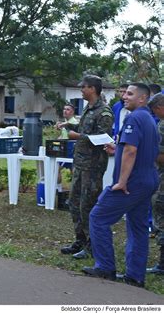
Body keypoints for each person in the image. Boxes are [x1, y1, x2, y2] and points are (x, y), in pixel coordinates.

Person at [82, 83, 159, 288]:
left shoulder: (134, 118)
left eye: (130, 94)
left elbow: (132, 151)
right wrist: (117, 148)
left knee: (98, 217)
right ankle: (135, 276)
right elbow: (138, 148)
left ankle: (105, 267)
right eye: (125, 93)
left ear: (142, 99)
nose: (124, 96)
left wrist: (122, 181)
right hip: (148, 179)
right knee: (138, 227)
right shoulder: (150, 120)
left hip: (132, 182)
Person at [58, 75, 114, 259]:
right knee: (74, 202)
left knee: (87, 205)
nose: (81, 90)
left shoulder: (104, 112)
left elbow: (103, 138)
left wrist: (77, 136)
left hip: (93, 166)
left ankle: (92, 244)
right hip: (80, 164)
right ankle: (80, 240)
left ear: (93, 89)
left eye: (84, 87)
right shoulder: (88, 110)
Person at [146, 93, 164, 275]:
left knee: (160, 219)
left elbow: (160, 156)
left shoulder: (162, 126)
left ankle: (162, 265)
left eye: (155, 110)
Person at [55, 103, 79, 191]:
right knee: (73, 173)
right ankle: (60, 190)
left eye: (68, 109)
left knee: (56, 168)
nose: (65, 111)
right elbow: (63, 136)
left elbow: (73, 136)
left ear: (72, 112)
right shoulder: (65, 123)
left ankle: (58, 190)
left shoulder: (73, 123)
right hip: (65, 150)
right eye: (64, 109)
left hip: (69, 151)